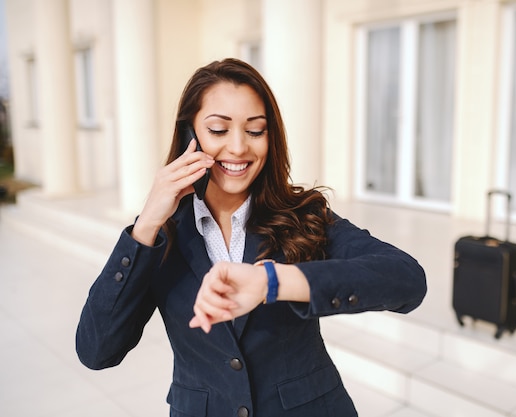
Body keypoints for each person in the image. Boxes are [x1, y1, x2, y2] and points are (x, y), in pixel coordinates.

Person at [76, 58, 427, 417]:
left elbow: (407, 279)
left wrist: (273, 281)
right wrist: (147, 222)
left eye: (255, 130)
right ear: (189, 135)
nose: (239, 147)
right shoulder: (160, 235)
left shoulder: (303, 214)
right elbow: (96, 350)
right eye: (218, 130)